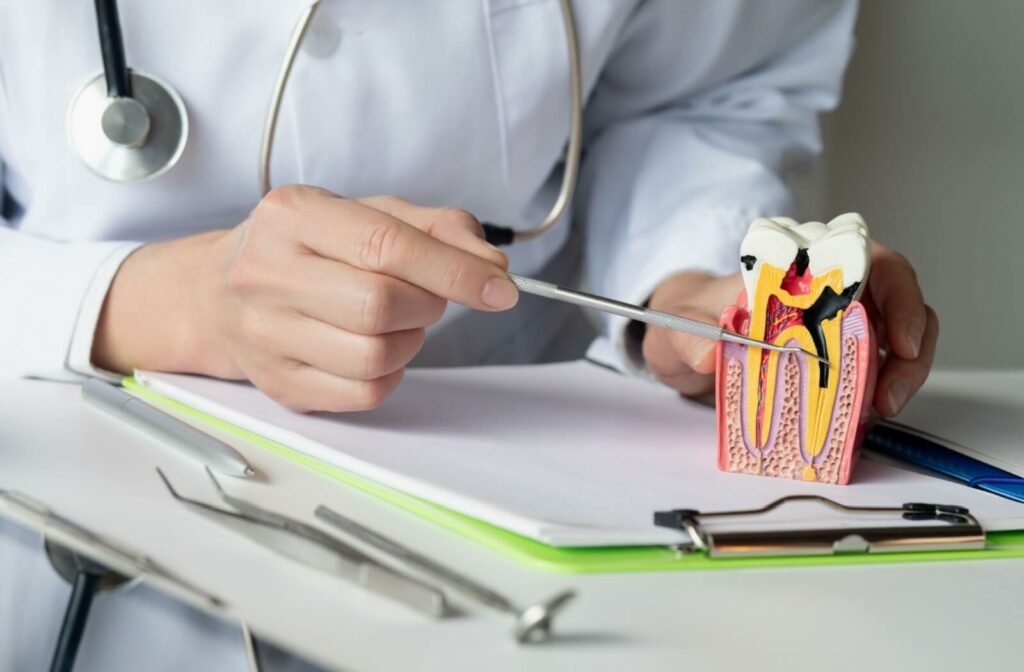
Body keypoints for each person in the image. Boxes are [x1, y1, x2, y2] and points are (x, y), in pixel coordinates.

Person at [0, 1, 937, 669]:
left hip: (520, 524)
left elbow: (700, 90)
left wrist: (687, 275)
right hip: (63, 485)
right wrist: (147, 303)